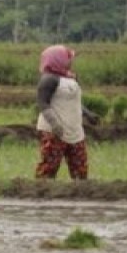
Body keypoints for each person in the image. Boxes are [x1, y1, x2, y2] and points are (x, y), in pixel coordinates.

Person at [34, 44, 98, 180]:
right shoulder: (48, 79)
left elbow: (75, 102)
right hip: (55, 131)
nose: (71, 61)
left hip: (75, 129)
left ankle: (79, 193)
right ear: (57, 60)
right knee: (49, 166)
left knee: (80, 167)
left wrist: (88, 114)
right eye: (68, 58)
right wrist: (55, 124)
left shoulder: (72, 78)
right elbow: (42, 102)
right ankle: (41, 191)